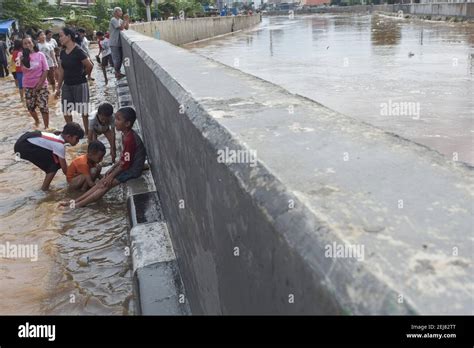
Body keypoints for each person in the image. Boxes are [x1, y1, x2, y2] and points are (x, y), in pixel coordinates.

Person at [62, 107, 146, 208]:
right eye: (115, 118)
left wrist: (111, 175)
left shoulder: (129, 139)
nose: (115, 122)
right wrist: (112, 169)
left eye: (118, 119)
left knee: (105, 184)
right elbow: (124, 159)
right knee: (103, 181)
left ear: (127, 124)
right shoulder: (126, 135)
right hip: (129, 166)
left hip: (132, 170)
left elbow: (125, 163)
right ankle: (75, 201)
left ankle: (76, 205)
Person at [14, 122, 84, 191]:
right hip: (23, 146)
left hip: (24, 140)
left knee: (55, 161)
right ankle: (44, 188)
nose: (77, 141)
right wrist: (75, 178)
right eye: (77, 139)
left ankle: (45, 187)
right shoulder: (59, 146)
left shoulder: (58, 136)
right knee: (54, 165)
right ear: (68, 136)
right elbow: (64, 169)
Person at [55, 28, 93, 135]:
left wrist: (82, 75)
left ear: (69, 37)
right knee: (66, 110)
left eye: (61, 36)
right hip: (67, 85)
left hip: (80, 84)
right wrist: (58, 87)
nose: (60, 38)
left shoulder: (78, 51)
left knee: (84, 111)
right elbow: (61, 71)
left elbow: (89, 65)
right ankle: (71, 134)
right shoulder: (62, 53)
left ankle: (87, 133)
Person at [20, 36, 50, 129]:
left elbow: (46, 70)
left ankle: (46, 127)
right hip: (28, 86)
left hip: (42, 85)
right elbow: (21, 70)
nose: (28, 45)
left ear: (33, 43)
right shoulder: (21, 57)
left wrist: (40, 83)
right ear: (23, 46)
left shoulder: (40, 55)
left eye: (29, 42)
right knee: (30, 107)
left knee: (43, 106)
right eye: (25, 43)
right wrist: (23, 59)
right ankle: (37, 121)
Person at [109, 7, 129, 80]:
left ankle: (118, 72)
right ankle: (117, 73)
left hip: (119, 42)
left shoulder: (120, 20)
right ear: (116, 12)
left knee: (120, 59)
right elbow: (121, 28)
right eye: (120, 11)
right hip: (114, 42)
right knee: (117, 59)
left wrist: (127, 20)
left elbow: (126, 28)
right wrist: (125, 20)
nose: (121, 12)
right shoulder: (113, 19)